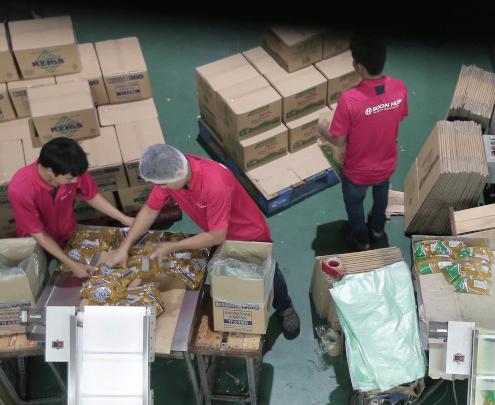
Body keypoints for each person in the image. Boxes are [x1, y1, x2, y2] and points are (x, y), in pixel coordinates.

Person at [105, 144, 301, 335]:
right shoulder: (173, 173)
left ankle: (285, 306)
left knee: (267, 271)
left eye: (163, 184)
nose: (160, 188)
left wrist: (172, 247)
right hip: (217, 231)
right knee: (227, 273)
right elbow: (149, 210)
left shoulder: (214, 183)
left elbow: (217, 235)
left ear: (179, 174)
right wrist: (124, 246)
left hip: (247, 233)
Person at [312, 34, 408, 251]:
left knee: (354, 205)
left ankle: (362, 239)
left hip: (358, 171)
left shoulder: (349, 99)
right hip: (386, 164)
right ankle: (377, 229)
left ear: (360, 67)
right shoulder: (400, 88)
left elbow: (338, 140)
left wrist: (322, 130)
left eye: (354, 60)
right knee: (381, 196)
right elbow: (397, 117)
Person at [9, 137, 134, 278]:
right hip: (36, 243)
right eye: (70, 178)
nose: (75, 181)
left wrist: (125, 219)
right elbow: (38, 233)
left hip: (67, 233)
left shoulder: (71, 170)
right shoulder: (20, 189)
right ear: (50, 171)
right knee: (39, 280)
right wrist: (71, 264)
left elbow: (90, 195)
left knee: (78, 275)